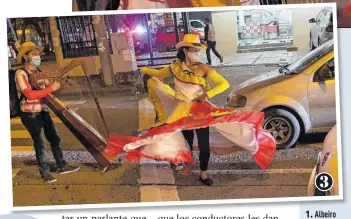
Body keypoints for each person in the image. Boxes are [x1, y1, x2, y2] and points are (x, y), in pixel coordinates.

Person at [106, 34, 276, 186]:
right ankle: (180, 159)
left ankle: (203, 174)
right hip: (180, 110)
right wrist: (144, 70)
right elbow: (159, 73)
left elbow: (224, 84)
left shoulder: (203, 68)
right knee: (171, 136)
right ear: (186, 51)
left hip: (198, 111)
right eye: (195, 50)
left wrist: (206, 94)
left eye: (199, 50)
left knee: (204, 145)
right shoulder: (175, 67)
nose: (198, 53)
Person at [15, 42, 80, 183]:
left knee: (55, 139)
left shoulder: (38, 72)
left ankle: (62, 166)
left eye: (38, 53)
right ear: (26, 56)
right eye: (34, 54)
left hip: (43, 111)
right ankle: (44, 172)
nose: (37, 56)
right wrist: (51, 87)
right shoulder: (21, 73)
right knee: (41, 143)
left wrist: (61, 86)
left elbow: (46, 93)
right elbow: (30, 94)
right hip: (30, 113)